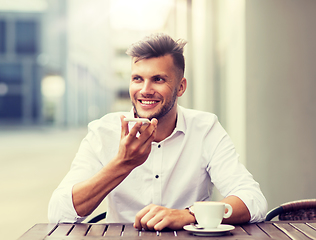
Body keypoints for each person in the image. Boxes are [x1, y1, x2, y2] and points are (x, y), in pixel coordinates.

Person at [48, 33, 267, 231]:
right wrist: (122, 164)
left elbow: (253, 200)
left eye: (158, 79)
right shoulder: (102, 132)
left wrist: (188, 215)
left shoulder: (205, 128)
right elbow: (59, 214)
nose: (145, 90)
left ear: (181, 87)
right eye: (137, 79)